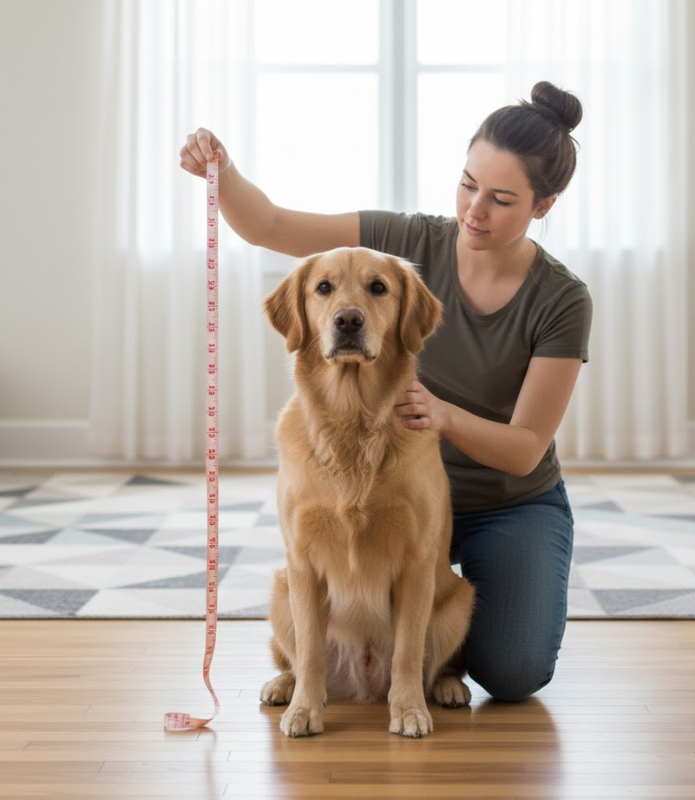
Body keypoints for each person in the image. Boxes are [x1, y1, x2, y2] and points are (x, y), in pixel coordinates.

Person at [180, 80, 592, 703]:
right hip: (387, 478)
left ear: (544, 204)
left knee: (513, 672)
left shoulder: (561, 299)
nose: (474, 209)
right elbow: (269, 224)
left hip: (505, 501)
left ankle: (444, 648)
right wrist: (223, 169)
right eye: (467, 184)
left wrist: (443, 415)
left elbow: (526, 448)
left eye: (501, 199)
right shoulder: (406, 243)